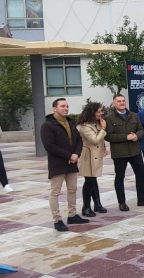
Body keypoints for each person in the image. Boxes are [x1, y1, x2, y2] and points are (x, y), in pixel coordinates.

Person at [40, 98, 89, 232]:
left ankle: (72, 215)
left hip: (72, 163)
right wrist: (69, 155)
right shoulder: (48, 125)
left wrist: (76, 155)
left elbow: (79, 140)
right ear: (54, 108)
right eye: (62, 106)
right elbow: (49, 145)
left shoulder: (71, 123)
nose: (65, 108)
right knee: (55, 192)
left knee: (72, 189)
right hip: (58, 164)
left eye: (67, 106)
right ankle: (57, 220)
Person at [104, 94, 144, 211]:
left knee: (141, 174)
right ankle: (122, 202)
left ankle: (141, 199)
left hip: (135, 151)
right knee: (120, 177)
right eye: (119, 101)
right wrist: (126, 137)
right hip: (120, 152)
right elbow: (108, 136)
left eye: (123, 101)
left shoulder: (133, 115)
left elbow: (141, 129)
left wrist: (137, 136)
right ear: (114, 103)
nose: (122, 103)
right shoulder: (109, 118)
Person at [75, 102, 109, 217]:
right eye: (98, 111)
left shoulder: (96, 123)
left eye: (101, 111)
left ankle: (97, 203)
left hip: (96, 154)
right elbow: (95, 139)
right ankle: (86, 206)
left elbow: (100, 139)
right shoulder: (84, 126)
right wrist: (104, 128)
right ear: (92, 113)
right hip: (88, 156)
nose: (101, 113)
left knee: (93, 179)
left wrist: (103, 147)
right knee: (89, 181)